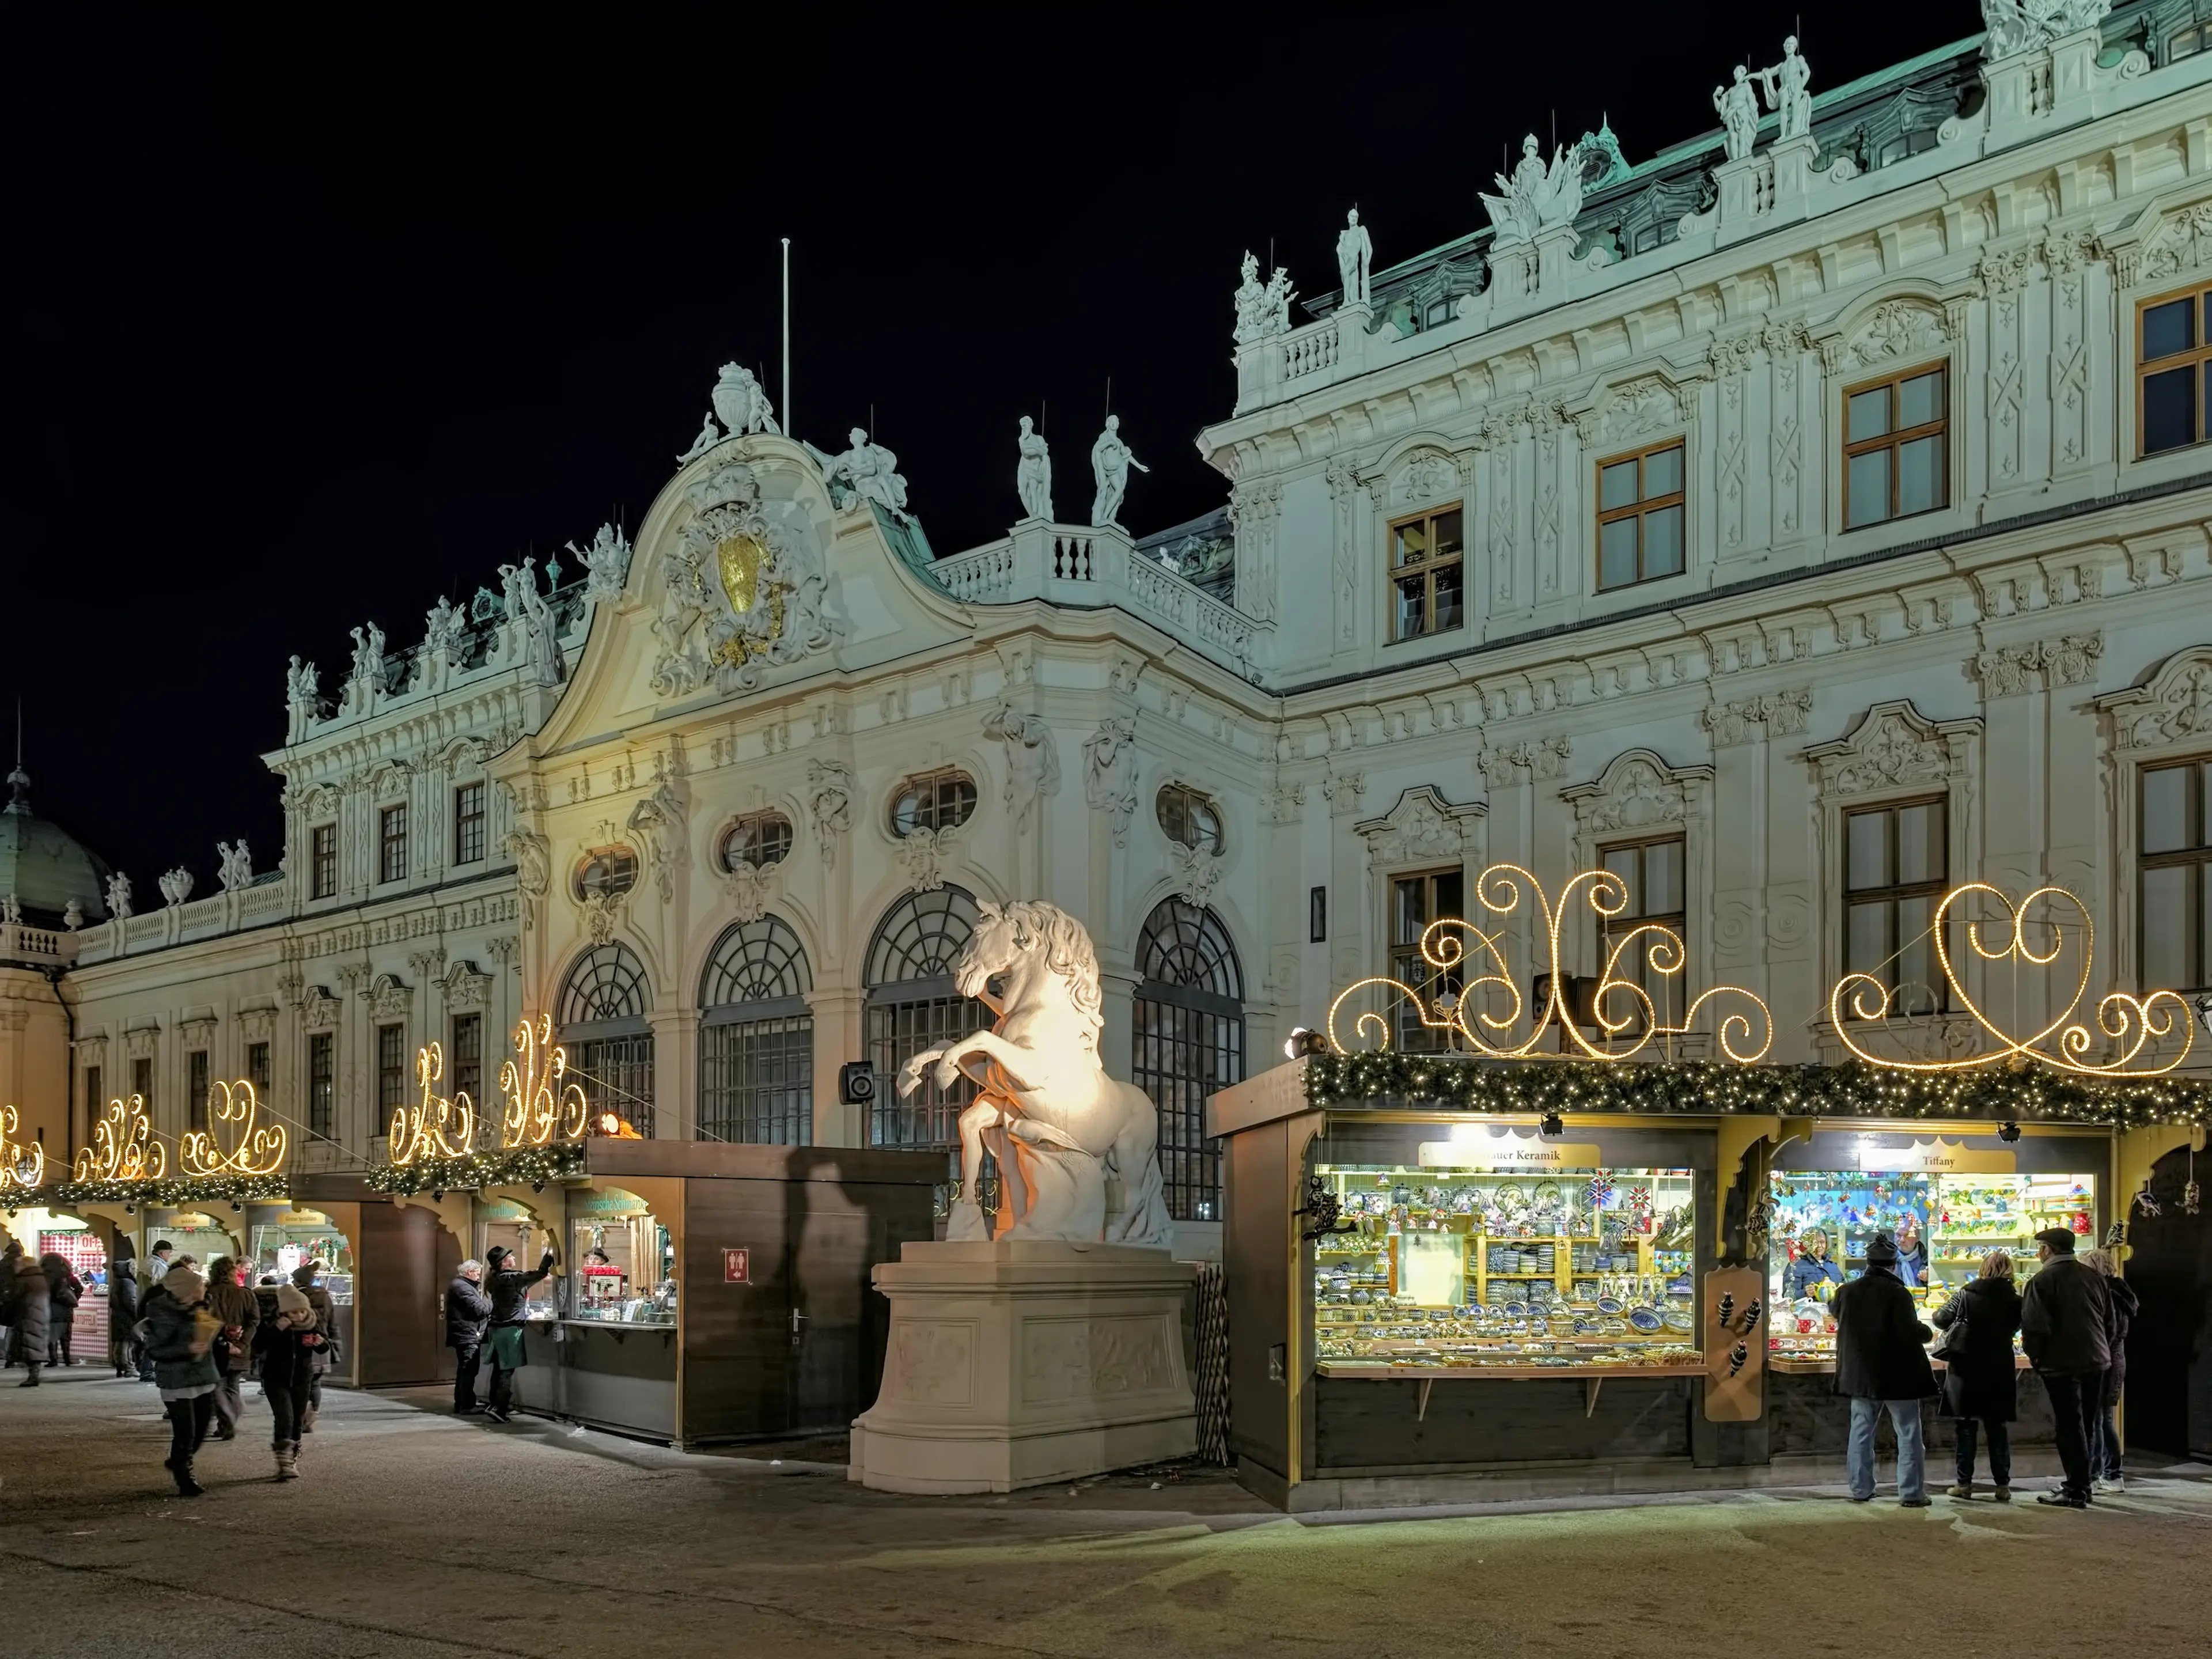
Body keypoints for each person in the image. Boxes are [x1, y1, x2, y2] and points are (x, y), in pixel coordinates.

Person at [1832, 1233, 1937, 1506]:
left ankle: (1860, 1489)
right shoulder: (1898, 1293)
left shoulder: (1847, 1291)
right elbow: (1908, 1331)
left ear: (1867, 1263)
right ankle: (1912, 1493)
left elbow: (1834, 1311)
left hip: (1861, 1374)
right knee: (1909, 1432)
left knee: (1861, 1432)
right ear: (1893, 1265)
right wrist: (1927, 1333)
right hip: (1897, 1374)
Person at [2020, 1226, 2111, 1509]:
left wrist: (2039, 1361)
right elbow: (2109, 1319)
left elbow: (2035, 1329)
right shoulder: (2094, 1277)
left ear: (2047, 1250)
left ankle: (2075, 1489)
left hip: (2062, 1363)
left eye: (2040, 1249)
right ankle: (2085, 1483)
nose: (2038, 1254)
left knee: (2069, 1426)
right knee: (2089, 1423)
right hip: (2097, 1359)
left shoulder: (2042, 1280)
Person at [1931, 1248, 2024, 1500]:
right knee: (1997, 1428)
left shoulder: (1965, 1294)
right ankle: (2003, 1486)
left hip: (1966, 1368)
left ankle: (1964, 1485)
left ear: (1983, 1270)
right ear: (2009, 1271)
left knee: (1966, 1427)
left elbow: (1940, 1319)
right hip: (1999, 1369)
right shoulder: (2017, 1300)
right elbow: (2018, 1326)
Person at [142, 1263, 219, 1496]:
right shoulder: (160, 1312)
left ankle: (179, 1460)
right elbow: (154, 1350)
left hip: (204, 1375)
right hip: (177, 1380)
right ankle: (185, 1476)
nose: (204, 1288)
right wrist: (188, 1348)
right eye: (199, 1286)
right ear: (187, 1290)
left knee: (203, 1427)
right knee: (186, 1431)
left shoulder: (203, 1306)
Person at [2078, 1247, 2139, 1494]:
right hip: (2112, 1359)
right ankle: (2108, 1473)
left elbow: (2106, 1331)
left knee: (2098, 1420)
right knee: (2102, 1419)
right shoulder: (2118, 1292)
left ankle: (2104, 1474)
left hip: (2103, 1361)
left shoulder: (2106, 1294)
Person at [254, 1283, 323, 1481]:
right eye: (294, 1312)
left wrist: (321, 1343)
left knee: (297, 1420)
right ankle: (284, 1462)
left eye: (302, 1311)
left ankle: (291, 1457)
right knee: (285, 1417)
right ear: (284, 1312)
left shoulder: (311, 1324)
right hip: (276, 1378)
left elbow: (323, 1348)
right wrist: (277, 1329)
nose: (300, 1316)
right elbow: (259, 1346)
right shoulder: (272, 1324)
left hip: (302, 1378)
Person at [482, 1244, 555, 1423]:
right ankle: (500, 1408)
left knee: (499, 1369)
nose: (514, 1259)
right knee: (506, 1370)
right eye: (511, 1257)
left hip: (497, 1327)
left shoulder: (495, 1278)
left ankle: (493, 1404)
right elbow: (539, 1274)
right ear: (505, 1263)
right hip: (509, 1328)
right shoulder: (510, 1278)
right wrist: (549, 1255)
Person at [202, 1256, 260, 1440]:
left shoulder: (207, 1294)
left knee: (216, 1385)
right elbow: (254, 1321)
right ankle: (228, 1423)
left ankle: (226, 1423)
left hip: (213, 1347)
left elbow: (201, 1321)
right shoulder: (246, 1294)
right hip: (239, 1348)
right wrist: (242, 1344)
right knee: (233, 1386)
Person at [291, 1261, 338, 1433]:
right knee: (315, 1383)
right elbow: (333, 1323)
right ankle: (311, 1418)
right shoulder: (324, 1295)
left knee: (301, 1383)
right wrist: (334, 1343)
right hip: (321, 1342)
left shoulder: (296, 1297)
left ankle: (300, 1418)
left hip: (301, 1345)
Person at [446, 1258, 492, 1415]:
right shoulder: (462, 1288)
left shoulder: (461, 1286)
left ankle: (464, 1403)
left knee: (467, 1370)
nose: (479, 1277)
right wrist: (491, 1302)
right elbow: (480, 1310)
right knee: (468, 1370)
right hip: (467, 1334)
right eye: (477, 1274)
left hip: (466, 1333)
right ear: (469, 1273)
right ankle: (466, 1405)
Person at [2, 1243, 50, 1385]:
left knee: (29, 1344)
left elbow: (14, 1298)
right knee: (34, 1343)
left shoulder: (24, 1279)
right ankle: (34, 1374)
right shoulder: (40, 1278)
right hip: (40, 1315)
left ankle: (33, 1376)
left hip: (27, 1315)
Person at [41, 1252, 84, 1368]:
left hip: (50, 1308)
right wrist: (73, 1298)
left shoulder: (44, 1276)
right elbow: (80, 1288)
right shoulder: (68, 1275)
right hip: (66, 1308)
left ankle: (53, 1360)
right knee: (65, 1336)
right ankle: (67, 1359)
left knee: (52, 1336)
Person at [109, 1243, 141, 1377]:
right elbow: (131, 1301)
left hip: (117, 1316)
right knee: (127, 1343)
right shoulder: (128, 1283)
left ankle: (119, 1365)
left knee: (119, 1342)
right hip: (126, 1317)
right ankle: (129, 1367)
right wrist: (137, 1315)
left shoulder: (117, 1282)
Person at [1785, 1228, 1844, 1300]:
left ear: (1827, 1244)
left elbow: (1845, 1291)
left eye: (1822, 1242)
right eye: (1814, 1242)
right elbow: (1788, 1297)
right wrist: (1805, 1293)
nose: (1819, 1246)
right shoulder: (1796, 1265)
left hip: (1834, 1310)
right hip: (1809, 1310)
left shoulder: (1833, 1266)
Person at [1893, 1216, 1931, 1289]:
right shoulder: (1885, 1259)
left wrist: (1929, 1279)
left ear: (1918, 1237)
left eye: (1908, 1235)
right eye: (1898, 1235)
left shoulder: (1928, 1260)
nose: (1902, 1240)